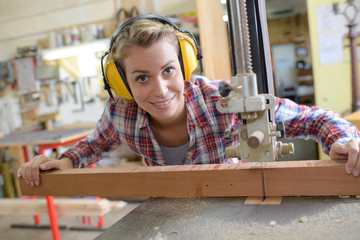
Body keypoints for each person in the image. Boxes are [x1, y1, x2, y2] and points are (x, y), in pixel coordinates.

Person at [18, 15, 360, 187]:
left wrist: (345, 141)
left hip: (235, 202)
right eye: (141, 78)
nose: (161, 89)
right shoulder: (120, 115)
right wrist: (63, 161)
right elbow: (92, 146)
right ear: (122, 84)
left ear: (185, 64)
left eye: (168, 70)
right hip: (170, 213)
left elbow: (314, 119)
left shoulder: (221, 101)